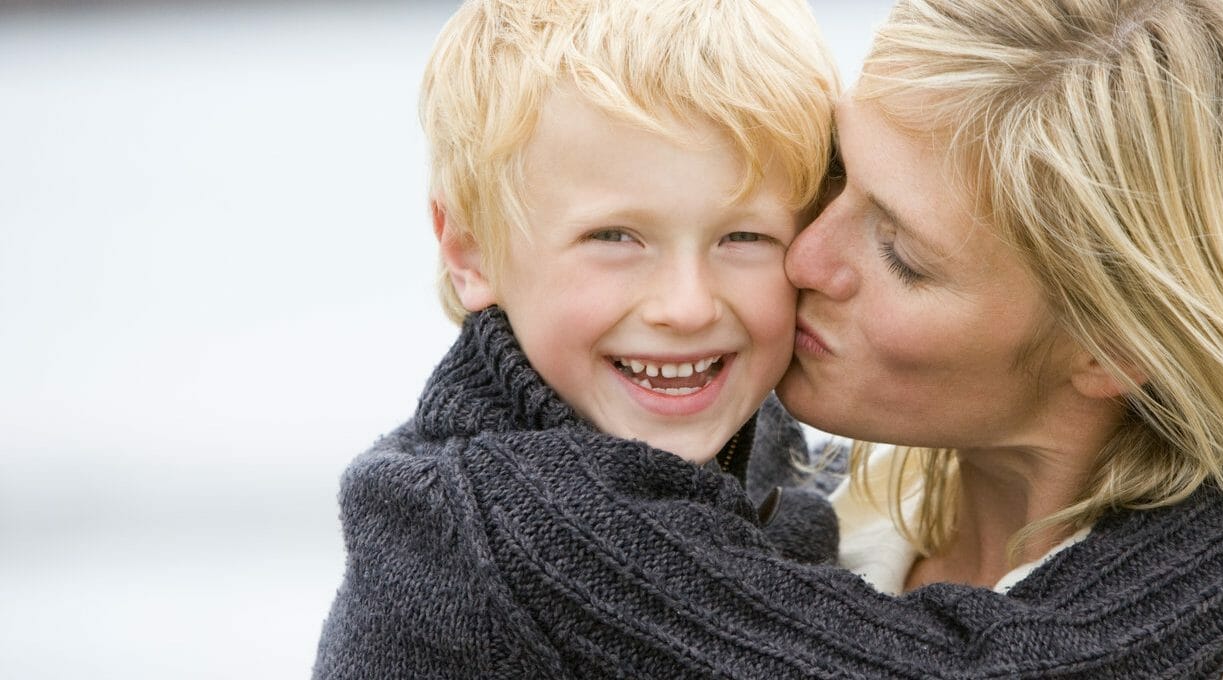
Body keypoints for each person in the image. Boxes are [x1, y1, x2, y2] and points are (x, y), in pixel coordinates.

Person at [323, 0, 1223, 677]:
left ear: (1117, 341)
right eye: (834, 179)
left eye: (898, 249)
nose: (801, 260)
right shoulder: (765, 515)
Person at [310, 0, 840, 676]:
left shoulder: (752, 439)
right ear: (470, 250)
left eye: (743, 237)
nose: (686, 306)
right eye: (615, 238)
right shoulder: (507, 527)